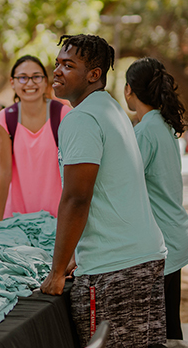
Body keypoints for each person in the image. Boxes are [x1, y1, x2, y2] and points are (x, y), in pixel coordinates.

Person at [41, 34, 167, 347]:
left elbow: (77, 198)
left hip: (115, 271)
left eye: (68, 65)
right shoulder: (109, 108)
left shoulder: (82, 118)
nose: (57, 71)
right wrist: (72, 255)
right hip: (142, 258)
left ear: (94, 74)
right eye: (57, 63)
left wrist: (57, 272)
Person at [124, 57, 188, 340]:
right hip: (174, 236)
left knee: (155, 333)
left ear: (129, 90)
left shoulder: (144, 132)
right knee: (169, 327)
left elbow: (125, 185)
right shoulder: (161, 124)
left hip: (160, 243)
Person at [0, 55, 70, 220]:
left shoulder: (63, 114)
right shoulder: (5, 119)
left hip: (58, 220)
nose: (29, 83)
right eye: (22, 78)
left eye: (36, 77)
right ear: (12, 82)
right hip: (17, 220)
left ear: (45, 82)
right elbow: (4, 174)